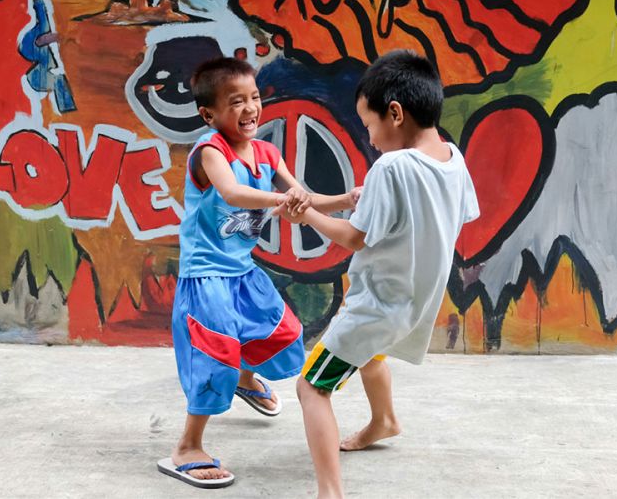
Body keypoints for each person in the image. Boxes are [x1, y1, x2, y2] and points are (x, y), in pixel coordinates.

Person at [274, 49, 480, 498]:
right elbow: (450, 214)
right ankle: (384, 421)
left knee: (311, 387)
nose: (370, 139)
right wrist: (380, 201)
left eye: (369, 126)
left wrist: (307, 214)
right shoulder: (452, 157)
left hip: (379, 302)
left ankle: (330, 491)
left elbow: (353, 238)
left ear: (395, 113)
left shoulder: (393, 166)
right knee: (370, 353)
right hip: (416, 298)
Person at [157, 56, 360, 489]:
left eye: (253, 98)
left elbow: (299, 196)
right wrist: (280, 203)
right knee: (214, 359)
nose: (250, 108)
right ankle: (187, 447)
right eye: (236, 101)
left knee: (283, 334)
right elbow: (232, 192)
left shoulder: (267, 152)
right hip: (207, 277)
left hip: (242, 271)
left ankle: (247, 381)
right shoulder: (210, 150)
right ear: (209, 113)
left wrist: (347, 197)